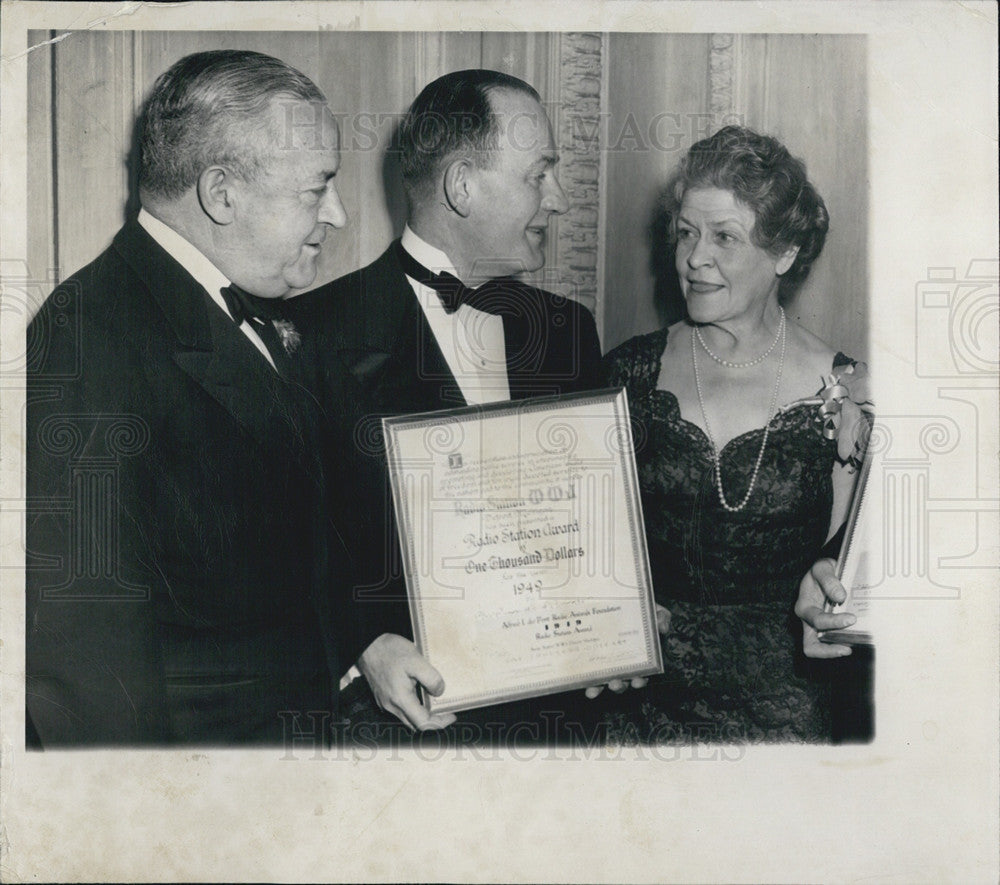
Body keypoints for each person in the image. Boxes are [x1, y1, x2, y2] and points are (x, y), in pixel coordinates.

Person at [293, 69, 655, 741]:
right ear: (462, 186)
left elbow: (589, 527)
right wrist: (364, 643)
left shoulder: (567, 329)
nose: (560, 199)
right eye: (537, 175)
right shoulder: (311, 336)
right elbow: (284, 543)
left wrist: (619, 626)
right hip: (402, 733)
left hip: (556, 727)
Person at [26, 50, 351, 745]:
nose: (340, 214)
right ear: (222, 194)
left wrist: (360, 650)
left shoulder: (242, 301)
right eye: (317, 188)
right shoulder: (86, 337)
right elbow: (87, 665)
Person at [601, 125, 872, 742]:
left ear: (784, 254)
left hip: (783, 714)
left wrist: (835, 603)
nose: (695, 257)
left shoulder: (849, 395)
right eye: (687, 233)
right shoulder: (627, 372)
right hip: (635, 704)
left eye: (725, 237)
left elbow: (859, 568)